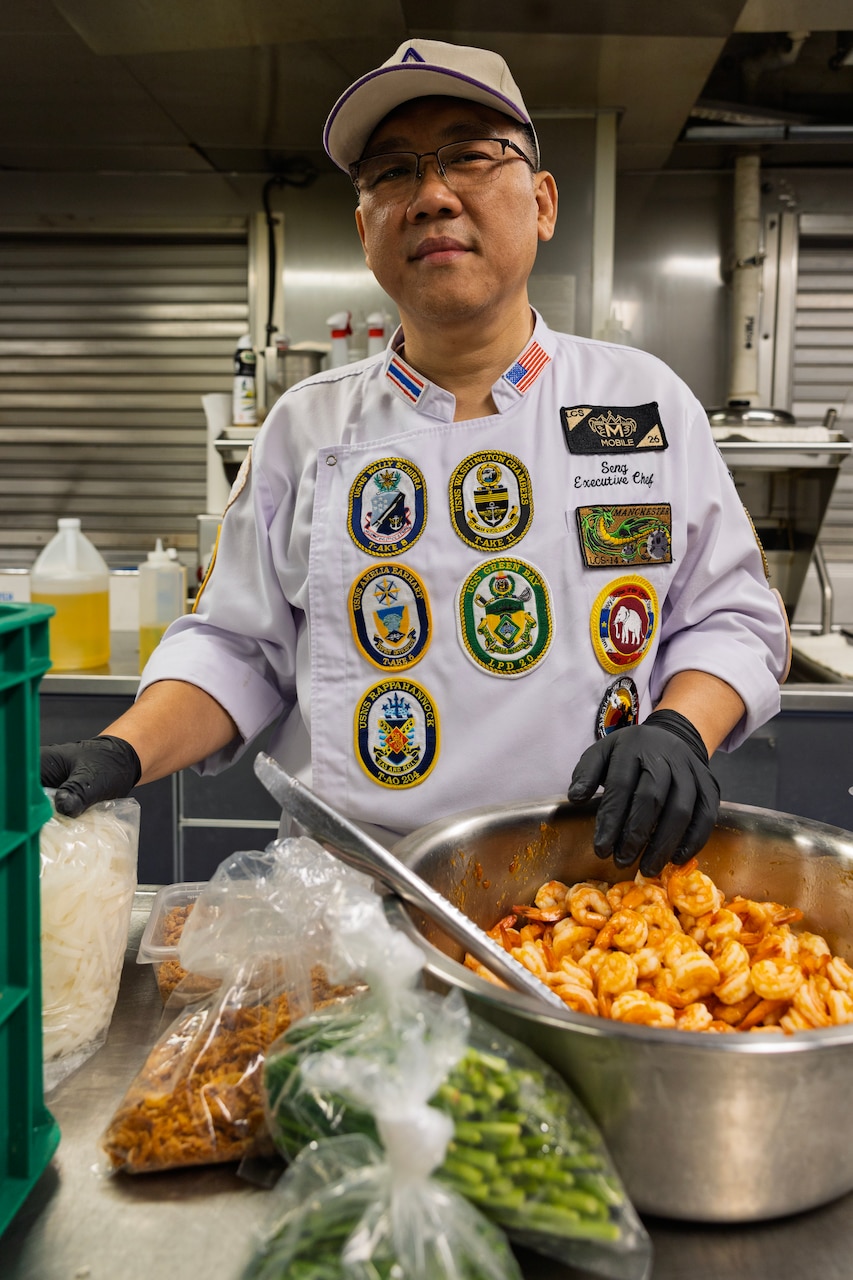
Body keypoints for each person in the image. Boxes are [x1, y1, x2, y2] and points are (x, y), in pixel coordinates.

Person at [41, 38, 790, 877]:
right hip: (354, 901)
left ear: (541, 203)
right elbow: (236, 649)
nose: (431, 195)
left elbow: (731, 616)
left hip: (592, 888)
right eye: (392, 172)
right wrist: (122, 750)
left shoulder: (641, 403)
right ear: (367, 231)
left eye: (470, 156)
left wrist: (679, 728)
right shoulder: (305, 427)